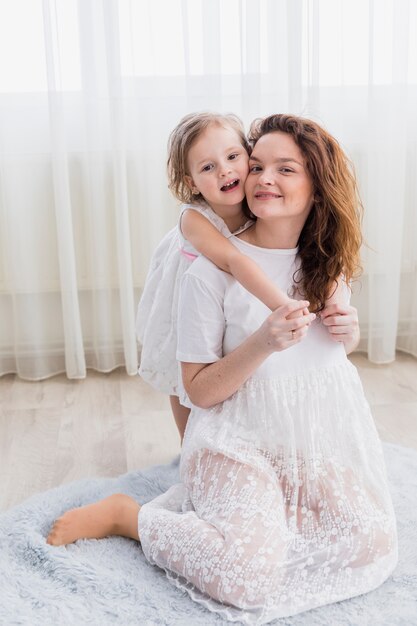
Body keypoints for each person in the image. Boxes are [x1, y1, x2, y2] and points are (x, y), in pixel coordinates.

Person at [47, 114, 397, 623]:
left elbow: (327, 357)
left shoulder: (325, 261)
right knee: (246, 576)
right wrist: (262, 342)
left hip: (299, 442)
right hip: (233, 441)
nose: (261, 179)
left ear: (318, 186)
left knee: (372, 538)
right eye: (257, 166)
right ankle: (131, 517)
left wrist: (349, 331)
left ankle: (268, 509)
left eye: (285, 169)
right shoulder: (208, 269)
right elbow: (198, 391)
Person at [136, 112, 312, 442]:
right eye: (207, 167)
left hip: (231, 280)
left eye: (233, 157)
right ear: (191, 183)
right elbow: (233, 260)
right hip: (185, 284)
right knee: (183, 371)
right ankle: (188, 445)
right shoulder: (194, 219)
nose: (225, 170)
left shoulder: (257, 194)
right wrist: (283, 305)